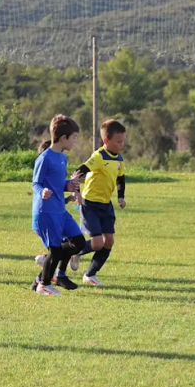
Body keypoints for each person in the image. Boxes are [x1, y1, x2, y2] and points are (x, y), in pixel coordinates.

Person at [31, 114, 86, 295]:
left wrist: (68, 185)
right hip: (46, 211)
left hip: (60, 210)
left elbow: (58, 183)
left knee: (78, 242)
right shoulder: (45, 158)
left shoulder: (62, 158)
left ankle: (46, 265)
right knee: (55, 250)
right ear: (63, 138)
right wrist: (42, 191)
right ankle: (44, 285)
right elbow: (36, 183)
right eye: (74, 138)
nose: (75, 142)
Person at [69, 119, 128, 287]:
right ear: (106, 141)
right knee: (97, 243)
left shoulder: (119, 159)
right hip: (90, 204)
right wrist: (75, 185)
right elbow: (81, 170)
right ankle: (74, 252)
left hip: (106, 205)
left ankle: (90, 274)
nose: (122, 144)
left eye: (123, 141)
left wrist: (121, 197)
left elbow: (120, 179)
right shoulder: (99, 156)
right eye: (118, 142)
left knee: (108, 241)